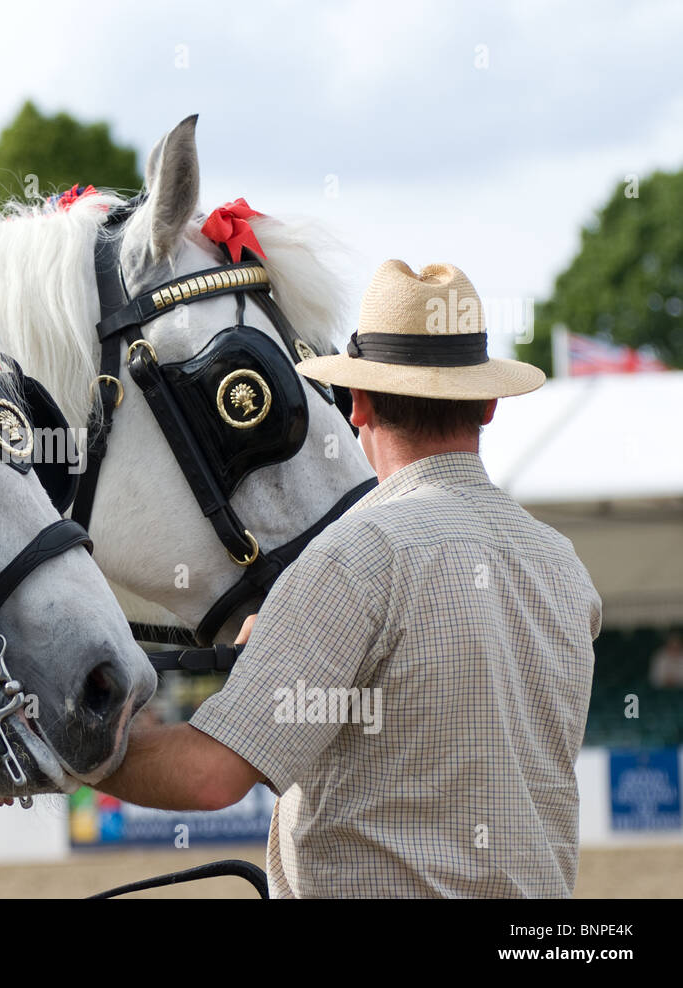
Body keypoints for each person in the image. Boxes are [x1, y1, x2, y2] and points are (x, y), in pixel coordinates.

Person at [97, 260, 603, 898]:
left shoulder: (352, 557)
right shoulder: (562, 566)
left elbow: (208, 777)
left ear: (356, 402)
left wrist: (66, 743)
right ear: (489, 405)